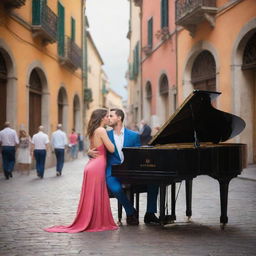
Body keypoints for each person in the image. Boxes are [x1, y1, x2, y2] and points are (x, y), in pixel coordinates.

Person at [44, 109, 118, 233]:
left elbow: (91, 149)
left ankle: (92, 219)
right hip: (98, 165)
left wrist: (89, 151)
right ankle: (97, 221)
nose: (108, 118)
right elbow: (111, 149)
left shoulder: (93, 131)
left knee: (92, 194)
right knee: (97, 193)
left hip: (91, 165)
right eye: (106, 116)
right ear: (101, 118)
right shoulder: (101, 130)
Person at [88, 109, 159, 225]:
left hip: (131, 171)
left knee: (153, 181)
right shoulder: (105, 134)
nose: (108, 118)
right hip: (112, 171)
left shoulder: (134, 135)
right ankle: (130, 211)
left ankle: (150, 213)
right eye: (108, 116)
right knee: (116, 188)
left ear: (119, 118)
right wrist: (89, 152)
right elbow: (95, 149)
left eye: (111, 116)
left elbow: (138, 155)